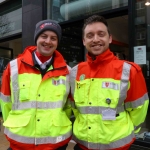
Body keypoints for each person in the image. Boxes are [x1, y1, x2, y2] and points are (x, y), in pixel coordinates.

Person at [70, 15, 149, 150]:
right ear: (84, 41)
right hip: (83, 146)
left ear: (110, 38)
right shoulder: (75, 72)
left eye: (101, 34)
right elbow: (75, 109)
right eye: (90, 35)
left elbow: (139, 111)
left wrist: (126, 132)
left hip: (117, 147)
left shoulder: (129, 70)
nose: (95, 39)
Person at [0, 19, 72, 150]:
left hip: (55, 143)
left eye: (53, 38)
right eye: (44, 36)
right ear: (36, 38)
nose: (48, 41)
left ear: (57, 42)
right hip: (20, 144)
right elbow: (6, 104)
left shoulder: (67, 72)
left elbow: (68, 108)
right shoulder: (13, 67)